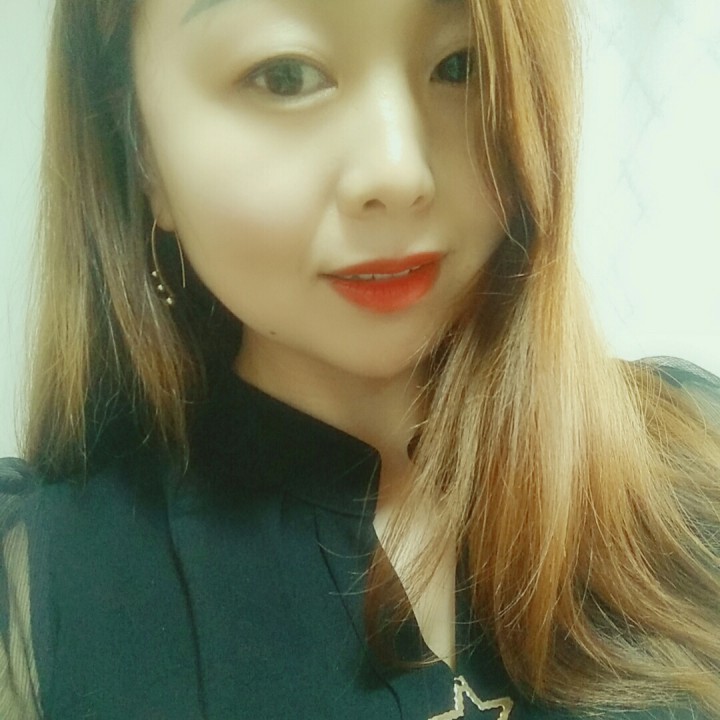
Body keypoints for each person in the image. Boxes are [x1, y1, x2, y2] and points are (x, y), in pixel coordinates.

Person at [1, 0, 718, 717]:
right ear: (141, 151)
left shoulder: (693, 456)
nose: (399, 173)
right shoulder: (42, 592)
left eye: (461, 65)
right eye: (284, 75)